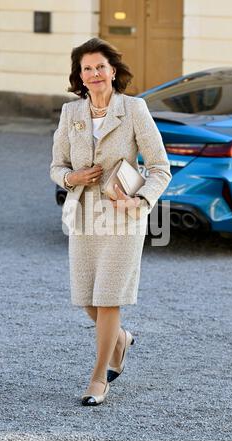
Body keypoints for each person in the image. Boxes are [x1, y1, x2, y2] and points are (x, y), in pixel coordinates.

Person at [50, 37, 172, 406]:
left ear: (112, 71)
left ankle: (98, 377)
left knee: (107, 300)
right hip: (84, 218)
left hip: (122, 219)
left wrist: (140, 200)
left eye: (100, 66)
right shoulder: (71, 114)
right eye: (87, 68)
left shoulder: (134, 109)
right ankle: (121, 339)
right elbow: (57, 166)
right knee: (86, 299)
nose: (94, 73)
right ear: (80, 77)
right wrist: (73, 178)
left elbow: (160, 168)